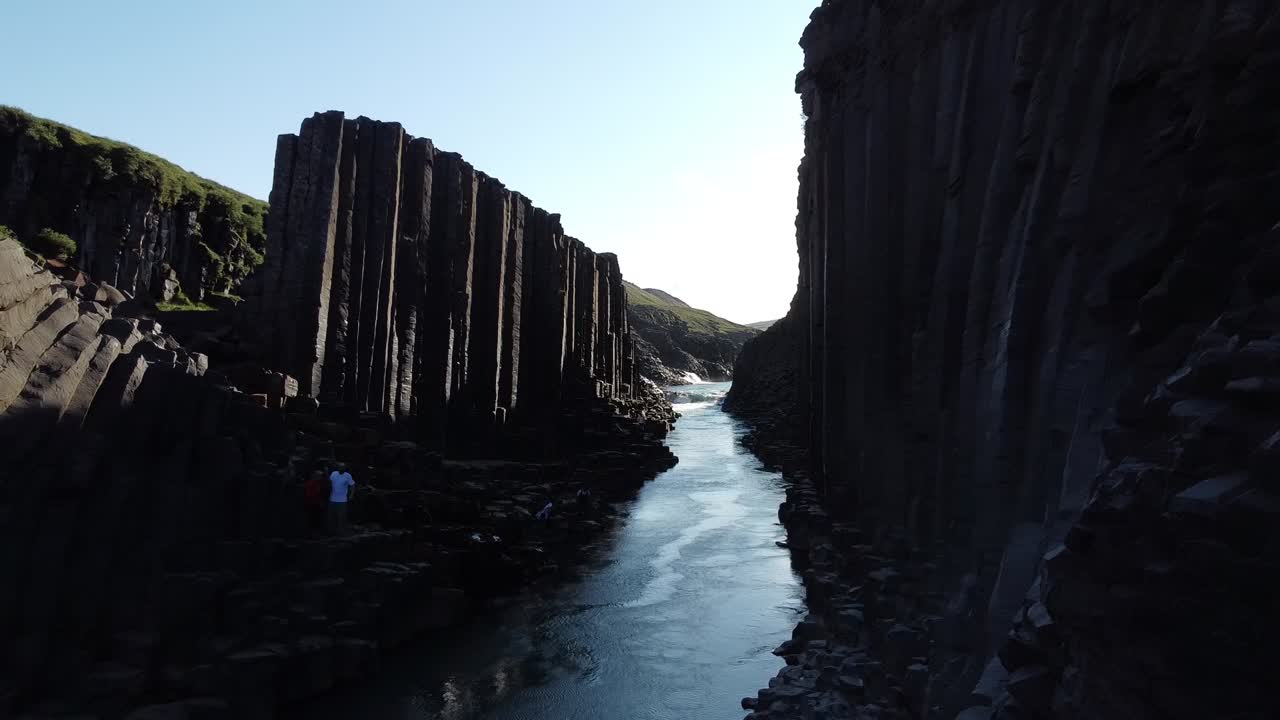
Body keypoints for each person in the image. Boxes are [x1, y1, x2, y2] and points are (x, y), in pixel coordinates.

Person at [328, 463, 355, 535]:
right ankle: (332, 532)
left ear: (345, 468)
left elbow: (352, 486)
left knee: (341, 517)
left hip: (342, 500)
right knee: (331, 517)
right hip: (332, 499)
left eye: (343, 467)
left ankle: (341, 532)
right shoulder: (333, 473)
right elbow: (330, 483)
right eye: (340, 467)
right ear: (338, 467)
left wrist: (351, 495)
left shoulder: (348, 475)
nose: (341, 468)